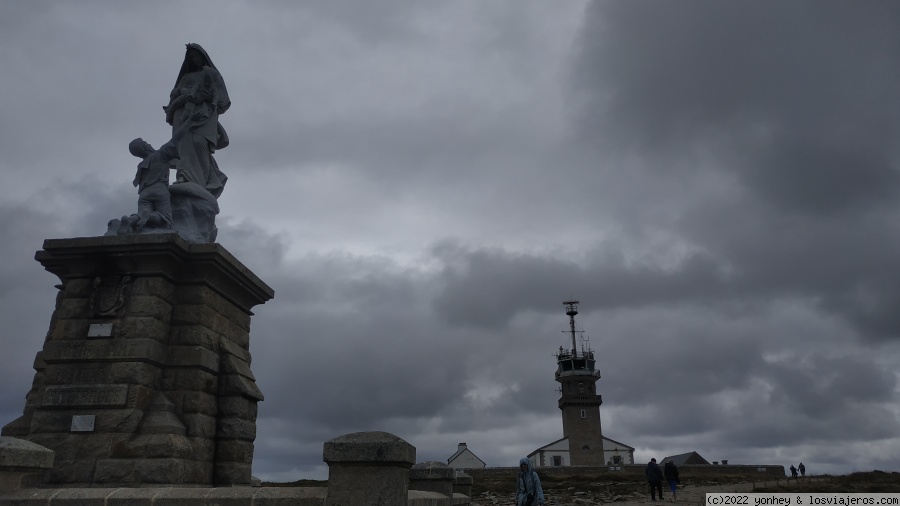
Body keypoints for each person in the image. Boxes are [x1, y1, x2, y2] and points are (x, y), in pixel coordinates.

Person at [163, 43, 230, 198]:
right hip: (183, 114)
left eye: (196, 56)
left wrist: (207, 96)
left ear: (203, 56)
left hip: (205, 113)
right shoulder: (186, 76)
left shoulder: (212, 74)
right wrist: (182, 92)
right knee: (183, 144)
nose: (195, 59)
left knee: (199, 143)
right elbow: (173, 93)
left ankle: (204, 181)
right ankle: (184, 176)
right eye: (192, 57)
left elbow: (223, 100)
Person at [123, 110, 203, 231]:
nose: (149, 143)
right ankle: (148, 215)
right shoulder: (160, 154)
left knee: (140, 215)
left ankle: (130, 221)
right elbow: (177, 138)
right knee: (166, 218)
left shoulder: (141, 165)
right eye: (146, 143)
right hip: (159, 189)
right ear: (145, 147)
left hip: (144, 194)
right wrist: (189, 121)